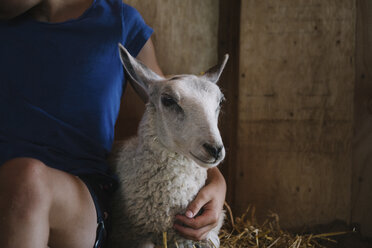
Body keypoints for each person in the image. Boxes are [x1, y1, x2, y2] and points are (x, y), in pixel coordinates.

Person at [0, 0, 227, 247]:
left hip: (76, 199)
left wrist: (215, 179)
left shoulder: (119, 22)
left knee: (25, 180)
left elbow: (171, 110)